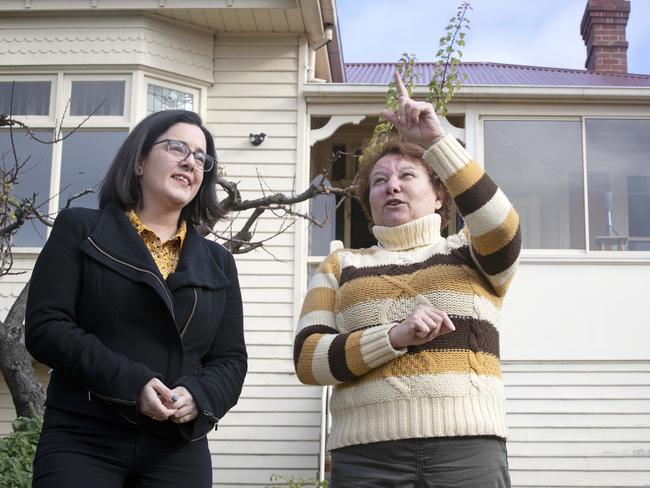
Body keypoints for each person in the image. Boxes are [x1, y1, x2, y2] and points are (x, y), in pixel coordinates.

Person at [293, 72, 520, 487]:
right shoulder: (339, 264)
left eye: (407, 176)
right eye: (379, 182)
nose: (391, 186)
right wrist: (393, 338)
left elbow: (504, 228)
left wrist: (435, 140)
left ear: (439, 195)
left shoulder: (471, 251)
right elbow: (309, 360)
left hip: (467, 451)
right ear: (369, 204)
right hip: (365, 457)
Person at [25, 109, 247, 488]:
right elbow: (47, 328)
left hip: (178, 451)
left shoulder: (218, 262)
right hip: (83, 438)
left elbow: (230, 360)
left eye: (201, 157)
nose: (190, 161)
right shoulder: (81, 228)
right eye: (177, 147)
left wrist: (200, 394)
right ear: (140, 160)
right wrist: (133, 384)